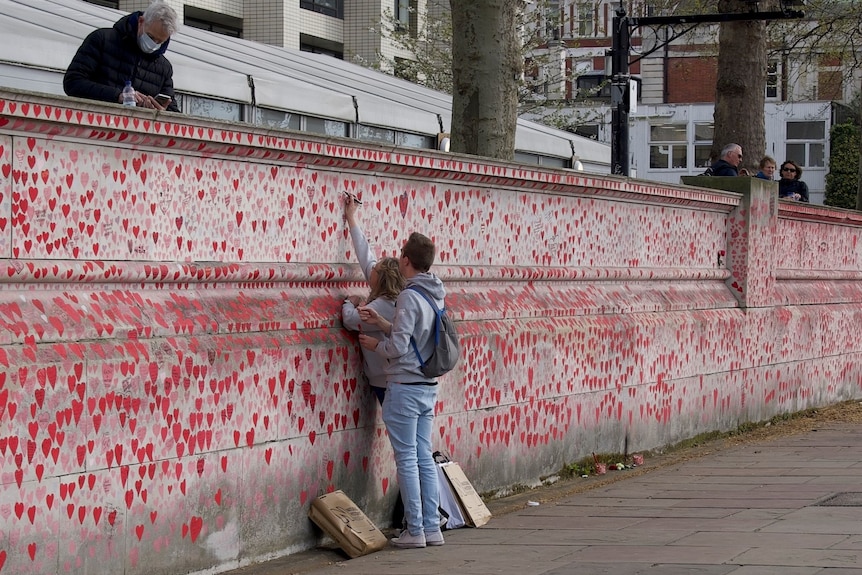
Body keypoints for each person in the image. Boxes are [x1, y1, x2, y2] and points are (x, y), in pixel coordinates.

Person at [357, 233, 445, 549]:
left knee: (407, 458)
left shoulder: (409, 296)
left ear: (405, 259)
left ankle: (415, 530)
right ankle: (432, 528)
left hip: (404, 387)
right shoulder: (436, 293)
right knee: (423, 456)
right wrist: (383, 321)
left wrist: (376, 344)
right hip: (427, 386)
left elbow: (399, 347)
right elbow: (417, 337)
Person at [341, 193, 404, 405]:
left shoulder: (381, 306)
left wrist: (350, 303)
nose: (371, 268)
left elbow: (350, 321)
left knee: (397, 429)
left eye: (375, 270)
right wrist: (352, 218)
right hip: (393, 376)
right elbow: (365, 254)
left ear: (381, 280)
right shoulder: (395, 297)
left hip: (384, 378)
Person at [64, 1, 180, 111]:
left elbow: (172, 109)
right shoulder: (102, 40)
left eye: (160, 42)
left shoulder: (164, 67)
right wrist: (117, 96)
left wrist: (162, 110)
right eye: (150, 36)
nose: (153, 44)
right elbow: (73, 82)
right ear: (141, 21)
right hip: (95, 125)